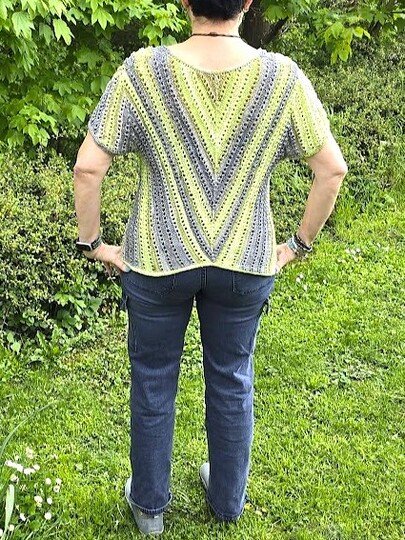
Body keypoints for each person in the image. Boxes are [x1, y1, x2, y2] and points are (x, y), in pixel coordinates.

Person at [73, 0, 348, 535]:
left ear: (185, 1)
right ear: (246, 2)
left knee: (153, 380)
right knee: (232, 377)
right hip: (245, 261)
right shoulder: (281, 78)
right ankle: (227, 500)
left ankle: (149, 507)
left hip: (158, 260)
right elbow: (331, 170)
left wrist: (93, 244)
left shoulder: (143, 71)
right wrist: (297, 245)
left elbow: (87, 168)